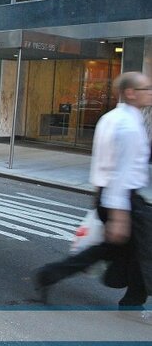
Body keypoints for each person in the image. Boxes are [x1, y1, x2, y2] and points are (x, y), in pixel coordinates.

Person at [34, 72, 152, 312]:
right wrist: (119, 215)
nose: (150, 93)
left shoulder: (111, 118)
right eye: (146, 89)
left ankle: (50, 275)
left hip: (109, 196)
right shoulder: (128, 126)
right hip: (123, 199)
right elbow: (121, 171)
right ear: (130, 92)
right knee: (139, 250)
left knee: (119, 249)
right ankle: (132, 301)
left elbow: (103, 164)